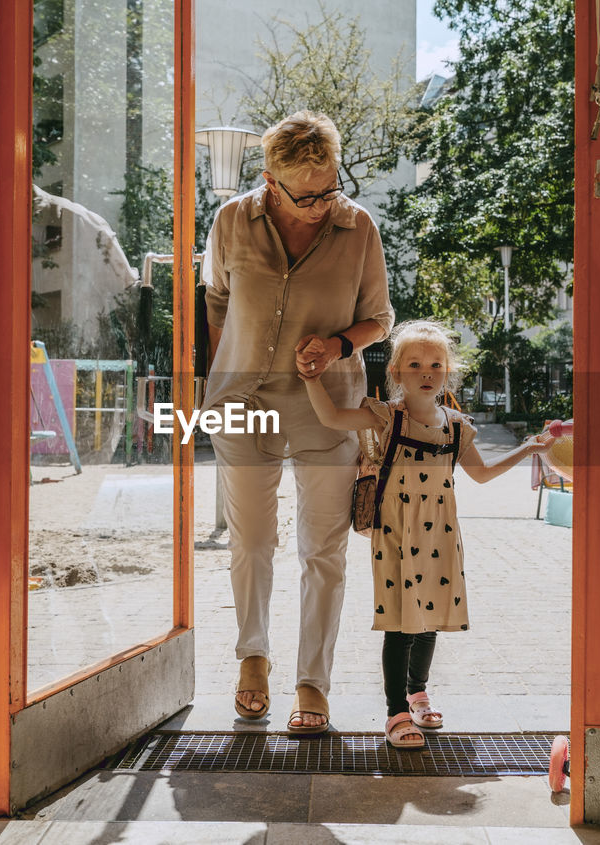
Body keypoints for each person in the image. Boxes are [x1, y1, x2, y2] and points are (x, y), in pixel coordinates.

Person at [202, 110, 394, 735]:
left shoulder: (358, 227)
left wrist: (339, 344)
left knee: (325, 551)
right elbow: (217, 297)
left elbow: (380, 318)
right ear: (269, 181)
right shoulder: (232, 219)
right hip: (244, 402)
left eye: (330, 188)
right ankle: (252, 659)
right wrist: (220, 364)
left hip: (329, 404)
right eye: (305, 194)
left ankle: (313, 683)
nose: (320, 205)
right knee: (252, 540)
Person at [301, 320, 555, 748]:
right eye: (415, 364)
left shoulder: (456, 426)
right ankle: (396, 711)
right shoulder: (387, 416)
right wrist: (311, 379)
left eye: (435, 365)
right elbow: (330, 416)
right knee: (400, 621)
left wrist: (529, 447)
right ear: (396, 372)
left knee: (430, 616)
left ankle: (418, 691)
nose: (426, 372)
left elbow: (483, 474)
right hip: (396, 533)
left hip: (440, 532)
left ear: (447, 372)